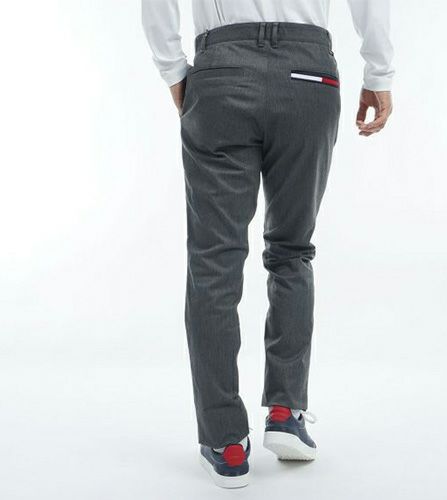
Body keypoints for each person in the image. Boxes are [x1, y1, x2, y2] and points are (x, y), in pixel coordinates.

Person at [142, 0, 394, 488]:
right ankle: (285, 413)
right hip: (309, 75)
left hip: (221, 74)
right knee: (292, 251)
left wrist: (172, 69)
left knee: (214, 264)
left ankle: (226, 442)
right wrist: (378, 72)